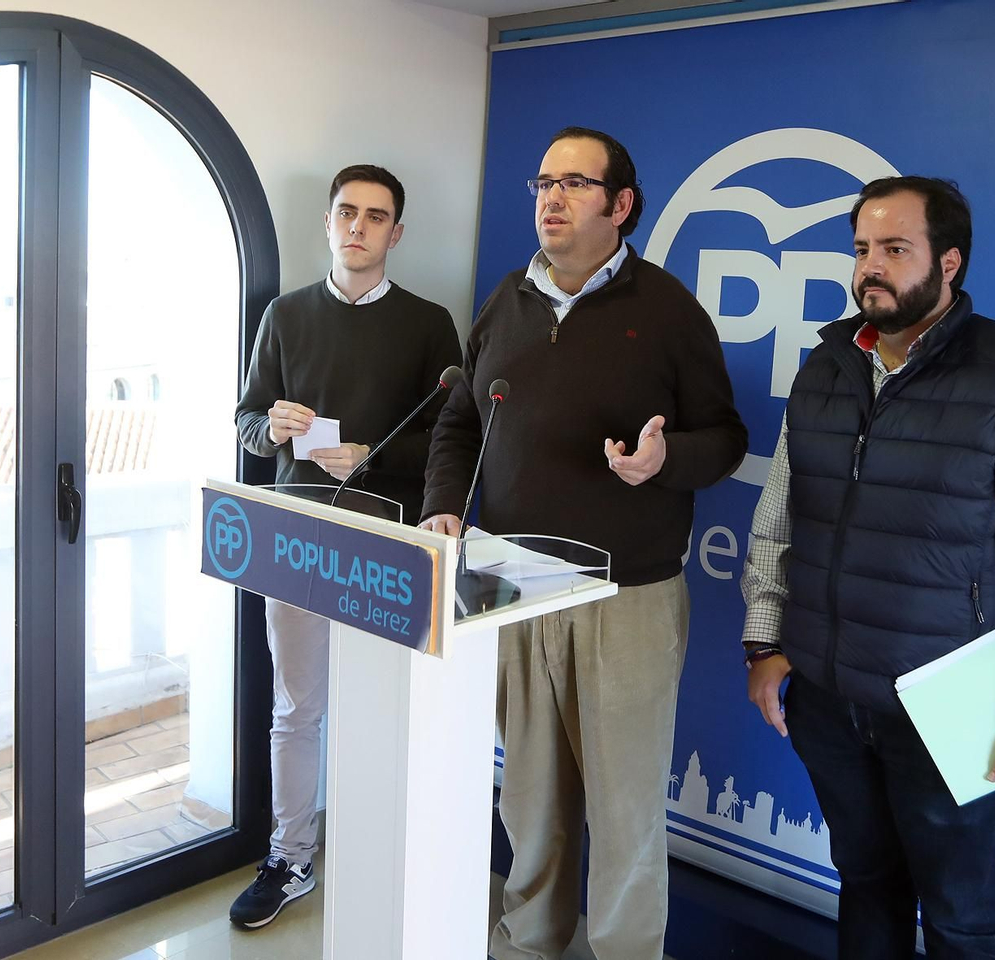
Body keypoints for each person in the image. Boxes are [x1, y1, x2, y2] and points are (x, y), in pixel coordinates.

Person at [740, 176, 995, 960]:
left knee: (960, 914)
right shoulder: (829, 363)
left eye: (895, 250)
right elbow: (781, 519)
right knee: (867, 885)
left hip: (949, 709)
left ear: (949, 264)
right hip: (831, 698)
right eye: (862, 250)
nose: (871, 267)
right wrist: (766, 643)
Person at [421, 127, 747, 960]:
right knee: (529, 800)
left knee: (624, 807)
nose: (550, 199)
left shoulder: (668, 310)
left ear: (621, 205)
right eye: (542, 183)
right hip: (509, 584)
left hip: (624, 597)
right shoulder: (506, 299)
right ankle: (530, 943)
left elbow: (727, 438)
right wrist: (442, 507)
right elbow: (460, 423)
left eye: (572, 184)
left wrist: (667, 457)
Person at [229, 163, 461, 929]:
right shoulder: (285, 317)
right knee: (297, 708)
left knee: (384, 710)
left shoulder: (429, 325)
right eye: (346, 213)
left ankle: (374, 851)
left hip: (384, 543)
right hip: (295, 537)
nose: (358, 227)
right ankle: (290, 857)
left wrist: (369, 454)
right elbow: (247, 423)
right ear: (327, 223)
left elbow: (450, 439)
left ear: (397, 233)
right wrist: (275, 429)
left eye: (375, 216)